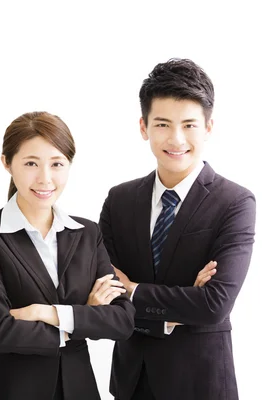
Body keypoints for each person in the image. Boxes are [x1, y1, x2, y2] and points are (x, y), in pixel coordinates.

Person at [99, 58, 256, 400]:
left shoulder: (235, 202)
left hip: (200, 382)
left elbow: (215, 304)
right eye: (162, 124)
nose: (176, 139)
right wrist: (180, 307)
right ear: (143, 127)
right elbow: (103, 297)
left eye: (188, 125)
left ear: (208, 127)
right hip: (131, 381)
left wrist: (134, 289)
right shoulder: (120, 200)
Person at [0, 111, 135, 400]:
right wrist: (81, 317)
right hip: (10, 389)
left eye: (57, 163)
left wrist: (44, 313)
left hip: (78, 388)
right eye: (31, 163)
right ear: (7, 163)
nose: (45, 178)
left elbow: (122, 320)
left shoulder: (87, 233)